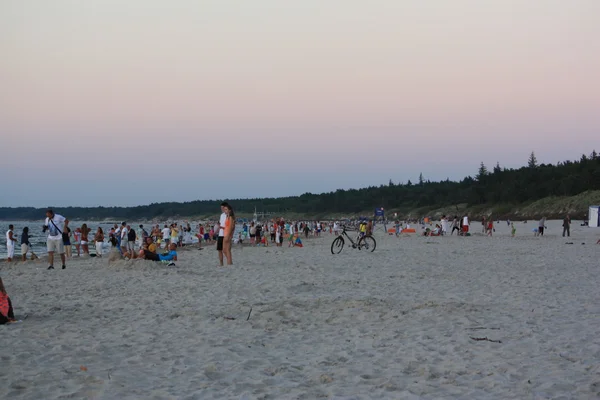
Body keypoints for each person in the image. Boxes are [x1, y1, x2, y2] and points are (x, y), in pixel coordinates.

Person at [217, 202, 229, 266]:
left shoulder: (229, 215)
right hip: (220, 234)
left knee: (225, 250)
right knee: (219, 250)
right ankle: (221, 264)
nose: (221, 209)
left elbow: (229, 226)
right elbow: (221, 224)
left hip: (226, 234)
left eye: (222, 207)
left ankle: (229, 261)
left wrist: (223, 227)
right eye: (221, 208)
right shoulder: (221, 215)